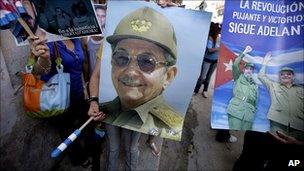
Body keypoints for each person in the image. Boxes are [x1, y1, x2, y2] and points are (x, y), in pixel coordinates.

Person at [88, 6, 183, 170]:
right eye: (121, 58)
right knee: (113, 147)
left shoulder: (168, 121)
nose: (131, 72)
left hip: (141, 121)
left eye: (147, 62)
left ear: (168, 76)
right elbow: (95, 76)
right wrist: (94, 101)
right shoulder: (107, 107)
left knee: (132, 148)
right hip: (109, 115)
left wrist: (153, 137)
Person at [29, 37, 99, 169]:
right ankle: (79, 159)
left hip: (78, 93)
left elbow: (82, 65)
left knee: (88, 122)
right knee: (66, 130)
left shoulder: (76, 39)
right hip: (57, 99)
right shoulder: (48, 42)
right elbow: (38, 70)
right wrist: (43, 58)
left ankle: (91, 150)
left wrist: (87, 86)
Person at [258, 52, 304, 141]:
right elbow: (261, 76)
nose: (285, 75)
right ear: (279, 77)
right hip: (278, 123)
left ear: (293, 77)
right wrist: (265, 62)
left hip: (299, 125)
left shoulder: (301, 89)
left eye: (289, 74)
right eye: (283, 74)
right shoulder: (273, 85)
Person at [227, 45, 258, 131]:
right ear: (243, 70)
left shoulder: (254, 85)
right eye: (247, 68)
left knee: (246, 134)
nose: (249, 70)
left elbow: (256, 100)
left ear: (252, 72)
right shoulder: (238, 76)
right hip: (236, 110)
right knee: (232, 130)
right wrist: (244, 52)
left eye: (251, 69)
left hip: (248, 114)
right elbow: (235, 64)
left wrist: (253, 111)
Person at [193, 22, 221, 98]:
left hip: (215, 61)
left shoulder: (220, 38)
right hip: (207, 60)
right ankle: (196, 90)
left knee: (208, 77)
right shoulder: (210, 38)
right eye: (218, 30)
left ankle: (205, 91)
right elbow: (210, 50)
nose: (219, 32)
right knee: (202, 77)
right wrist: (219, 48)